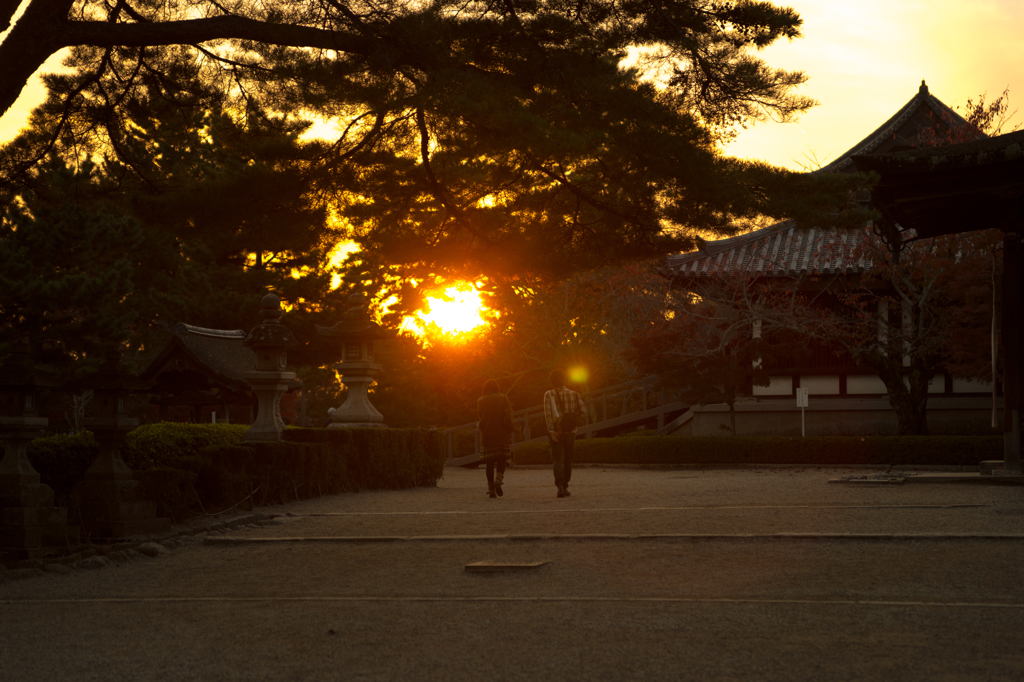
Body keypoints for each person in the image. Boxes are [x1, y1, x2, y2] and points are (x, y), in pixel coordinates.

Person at [543, 369, 585, 498]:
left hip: (556, 432)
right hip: (570, 433)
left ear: (551, 381)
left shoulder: (548, 394)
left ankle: (559, 486)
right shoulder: (575, 394)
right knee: (568, 461)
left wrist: (551, 431)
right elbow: (583, 412)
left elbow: (548, 415)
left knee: (557, 460)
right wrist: (573, 422)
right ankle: (565, 486)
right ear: (564, 380)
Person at [477, 378, 515, 499]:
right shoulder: (502, 398)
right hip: (501, 434)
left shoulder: (480, 401)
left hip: (487, 436)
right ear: (496, 387)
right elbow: (508, 415)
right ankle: (498, 479)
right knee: (501, 459)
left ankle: (491, 489)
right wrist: (511, 428)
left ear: (485, 388)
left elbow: (481, 418)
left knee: (489, 463)